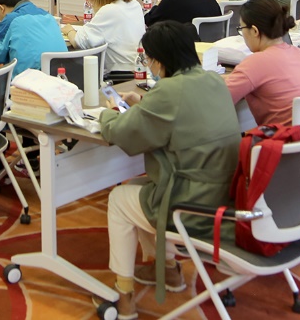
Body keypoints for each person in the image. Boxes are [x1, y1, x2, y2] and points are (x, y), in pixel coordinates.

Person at [98, 21, 241, 318]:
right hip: (227, 196)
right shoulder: (214, 80)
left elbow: (121, 133)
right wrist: (144, 103)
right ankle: (169, 269)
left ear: (159, 61)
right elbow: (180, 112)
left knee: (119, 199)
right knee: (139, 190)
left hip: (193, 204)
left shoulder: (168, 91)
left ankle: (124, 297)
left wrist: (106, 114)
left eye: (149, 59)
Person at [224, 0, 300, 128]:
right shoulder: (297, 52)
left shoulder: (255, 62)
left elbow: (219, 100)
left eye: (242, 29)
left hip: (288, 139)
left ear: (254, 31)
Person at [61, 0, 146, 72]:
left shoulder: (110, 10)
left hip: (120, 74)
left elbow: (79, 42)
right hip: (140, 69)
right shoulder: (135, 4)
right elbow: (102, 29)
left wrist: (69, 30)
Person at [0, 0, 65, 72]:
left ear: (1, 8)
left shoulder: (11, 19)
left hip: (28, 77)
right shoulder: (47, 15)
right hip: (60, 74)